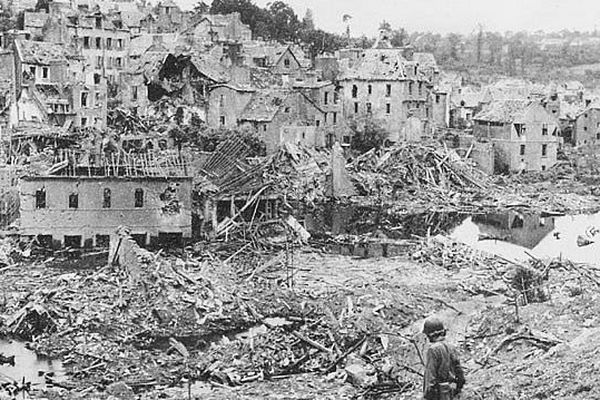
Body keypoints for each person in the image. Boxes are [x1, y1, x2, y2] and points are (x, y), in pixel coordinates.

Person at [422, 317, 465, 400]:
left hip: (439, 394)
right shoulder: (451, 347)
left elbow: (430, 377)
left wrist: (428, 395)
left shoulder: (433, 350)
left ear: (430, 334)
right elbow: (460, 374)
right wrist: (457, 389)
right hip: (452, 392)